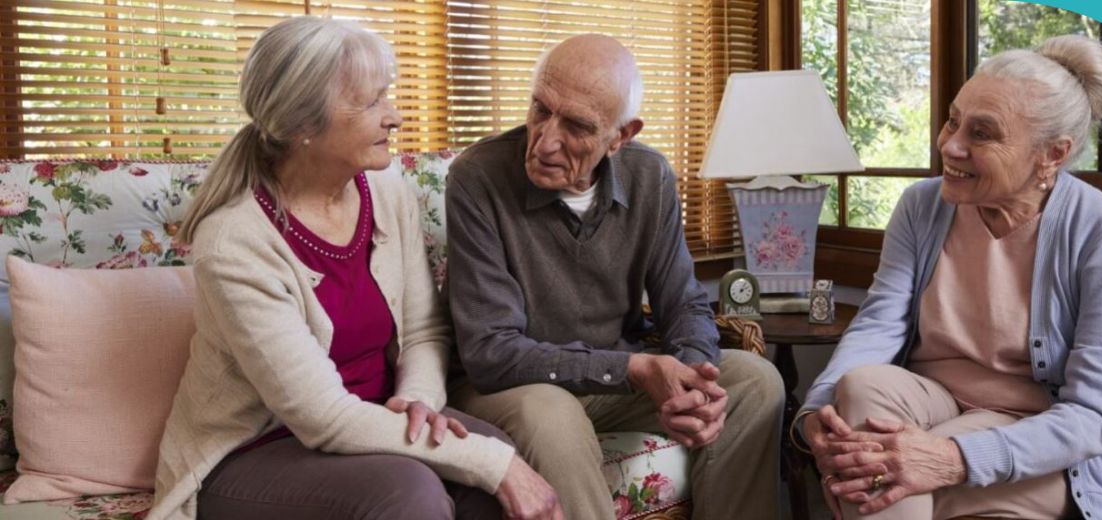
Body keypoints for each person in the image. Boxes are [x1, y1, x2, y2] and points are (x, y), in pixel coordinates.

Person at [149, 16, 561, 520]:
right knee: (414, 489)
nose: (394, 117)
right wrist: (492, 464)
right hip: (256, 450)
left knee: (489, 450)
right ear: (303, 124)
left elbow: (424, 330)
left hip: (376, 420)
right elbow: (320, 416)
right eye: (372, 103)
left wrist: (418, 403)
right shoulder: (234, 243)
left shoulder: (387, 191)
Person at [793, 35, 1102, 520]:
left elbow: (1093, 418)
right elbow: (880, 324)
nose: (951, 145)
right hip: (935, 403)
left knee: (876, 473)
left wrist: (948, 459)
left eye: (982, 134)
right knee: (860, 390)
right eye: (952, 120)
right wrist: (817, 412)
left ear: (1052, 154)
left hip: (1040, 437)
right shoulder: (921, 206)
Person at [445, 33, 785, 520]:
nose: (545, 141)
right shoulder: (476, 178)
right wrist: (637, 371)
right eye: (540, 108)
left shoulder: (651, 176)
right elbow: (490, 353)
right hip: (508, 388)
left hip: (613, 382)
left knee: (756, 381)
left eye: (577, 127)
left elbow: (683, 302)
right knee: (552, 415)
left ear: (621, 135)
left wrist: (690, 381)